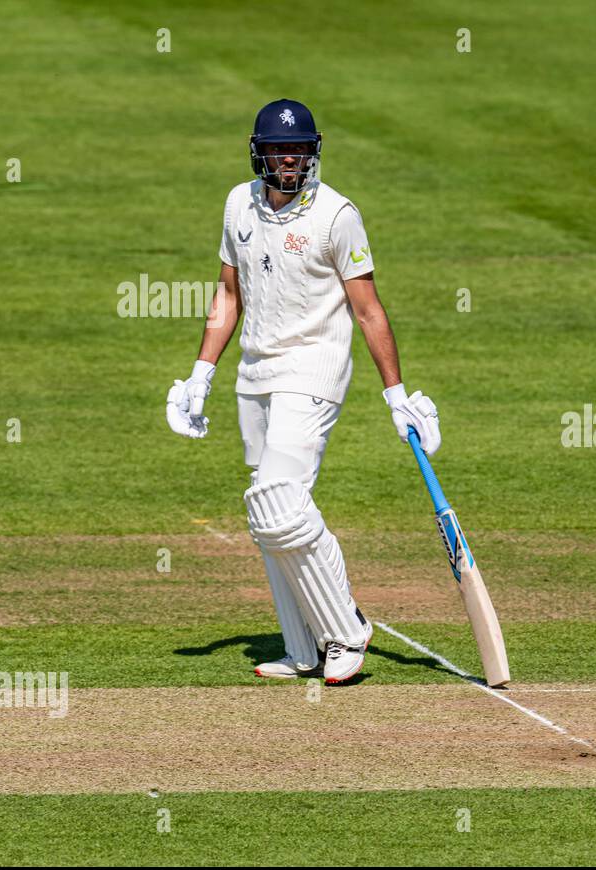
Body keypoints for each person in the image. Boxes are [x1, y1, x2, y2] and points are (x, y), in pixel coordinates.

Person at [165, 99, 440, 684]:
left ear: (312, 151)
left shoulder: (338, 215)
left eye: (298, 150)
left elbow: (367, 311)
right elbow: (228, 296)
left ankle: (345, 631)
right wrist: (200, 373)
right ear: (258, 152)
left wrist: (396, 396)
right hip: (255, 375)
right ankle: (301, 647)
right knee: (267, 511)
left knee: (281, 498)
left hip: (313, 371)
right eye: (277, 150)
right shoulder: (239, 203)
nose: (288, 161)